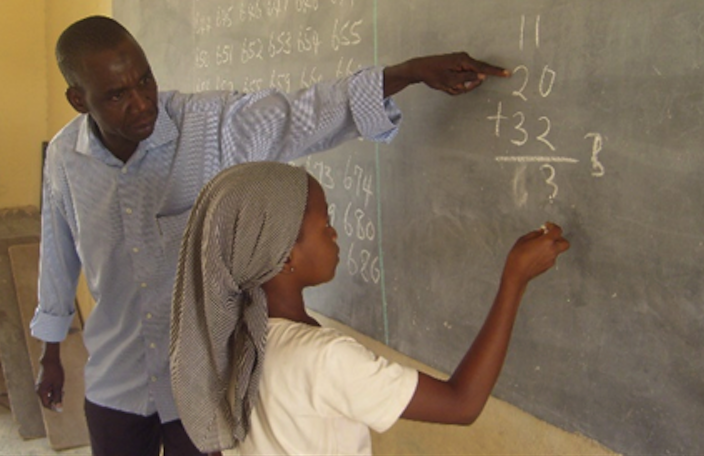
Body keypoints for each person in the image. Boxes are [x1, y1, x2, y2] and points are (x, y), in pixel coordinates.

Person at [30, 14, 509, 456]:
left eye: (146, 80)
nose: (141, 102)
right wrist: (50, 353)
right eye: (116, 95)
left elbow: (298, 115)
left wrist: (404, 74)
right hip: (116, 381)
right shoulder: (65, 160)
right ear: (79, 99)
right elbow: (58, 255)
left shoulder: (207, 125)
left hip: (203, 384)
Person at [169, 162, 570, 455]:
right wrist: (514, 281)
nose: (334, 232)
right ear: (286, 256)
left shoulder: (234, 337)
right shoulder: (324, 359)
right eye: (325, 223)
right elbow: (461, 403)